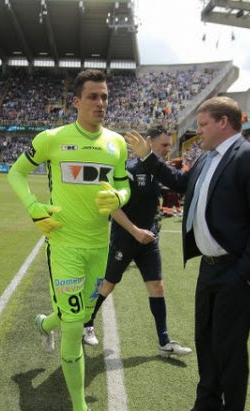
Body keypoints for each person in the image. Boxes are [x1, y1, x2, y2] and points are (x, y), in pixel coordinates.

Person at [125, 96, 250, 411]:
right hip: (209, 269)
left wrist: (245, 271)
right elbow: (180, 183)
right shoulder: (207, 159)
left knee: (229, 347)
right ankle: (208, 404)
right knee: (206, 340)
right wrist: (149, 157)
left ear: (224, 122)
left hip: (236, 271)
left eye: (204, 123)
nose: (198, 131)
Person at [7, 69, 130, 411]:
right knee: (76, 324)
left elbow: (124, 183)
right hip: (63, 246)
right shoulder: (53, 139)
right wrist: (33, 208)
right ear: (75, 101)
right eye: (93, 96)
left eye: (105, 97)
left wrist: (121, 197)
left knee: (76, 313)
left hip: (99, 247)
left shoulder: (117, 144)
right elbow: (17, 173)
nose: (100, 103)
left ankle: (45, 323)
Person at [82, 125, 192, 357]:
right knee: (108, 284)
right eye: (164, 145)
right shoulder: (129, 170)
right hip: (126, 238)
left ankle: (164, 341)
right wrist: (135, 231)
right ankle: (86, 324)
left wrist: (148, 231)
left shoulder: (159, 171)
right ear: (148, 143)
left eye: (170, 145)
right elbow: (113, 208)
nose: (168, 149)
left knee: (157, 286)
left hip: (149, 239)